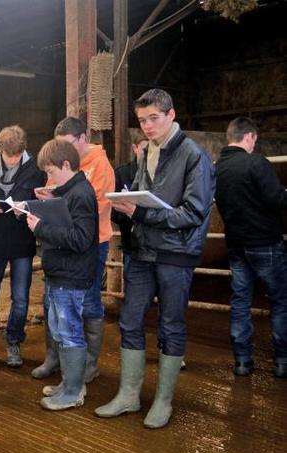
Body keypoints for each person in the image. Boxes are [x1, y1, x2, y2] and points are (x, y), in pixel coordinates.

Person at [95, 88, 214, 429]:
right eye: (142, 121)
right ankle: (128, 395)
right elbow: (144, 203)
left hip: (175, 254)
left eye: (153, 119)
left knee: (171, 324)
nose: (147, 126)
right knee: (130, 321)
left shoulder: (194, 156)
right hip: (142, 251)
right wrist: (122, 212)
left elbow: (194, 212)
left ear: (171, 115)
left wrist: (141, 214)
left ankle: (163, 400)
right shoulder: (147, 152)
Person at [32, 117, 115, 386]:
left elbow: (96, 210)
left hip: (92, 243)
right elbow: (57, 190)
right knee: (55, 308)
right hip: (63, 245)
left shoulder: (99, 166)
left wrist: (52, 221)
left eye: (67, 144)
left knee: (87, 302)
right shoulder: (60, 168)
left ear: (81, 139)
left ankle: (87, 366)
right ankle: (56, 358)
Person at [24, 138, 98, 411]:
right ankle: (69, 382)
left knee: (69, 333)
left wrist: (41, 227)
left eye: (51, 171)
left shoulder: (81, 194)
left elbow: (80, 239)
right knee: (60, 330)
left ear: (67, 164)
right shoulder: (69, 192)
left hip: (71, 276)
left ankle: (74, 391)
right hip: (60, 274)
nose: (48, 177)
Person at [214, 117, 287, 378]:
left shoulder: (217, 168)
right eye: (254, 140)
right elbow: (275, 199)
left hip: (236, 244)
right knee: (280, 301)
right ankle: (282, 361)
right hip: (265, 242)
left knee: (241, 301)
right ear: (249, 137)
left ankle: (243, 361)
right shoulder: (256, 162)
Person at [0, 125, 47, 368]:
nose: (13, 161)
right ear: (0, 149)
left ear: (23, 150)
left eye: (17, 156)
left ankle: (14, 341)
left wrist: (26, 209)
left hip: (22, 242)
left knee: (21, 299)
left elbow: (42, 203)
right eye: (9, 156)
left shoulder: (36, 171)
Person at [112, 135, 149, 270]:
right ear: (135, 148)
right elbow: (111, 209)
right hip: (132, 245)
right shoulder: (122, 174)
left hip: (159, 247)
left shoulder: (163, 174)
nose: (148, 154)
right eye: (145, 149)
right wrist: (128, 214)